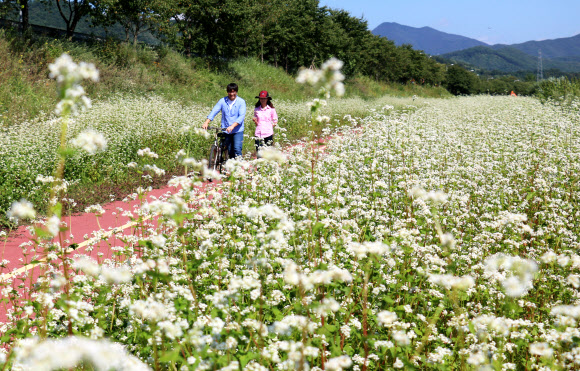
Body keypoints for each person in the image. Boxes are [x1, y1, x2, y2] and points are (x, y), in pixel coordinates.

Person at [202, 83, 246, 159]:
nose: (232, 94)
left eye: (233, 92)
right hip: (226, 130)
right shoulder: (222, 101)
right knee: (230, 151)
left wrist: (232, 126)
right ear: (227, 92)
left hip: (237, 130)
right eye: (230, 92)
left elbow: (241, 117)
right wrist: (206, 122)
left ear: (236, 92)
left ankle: (240, 169)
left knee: (237, 149)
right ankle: (232, 168)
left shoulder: (241, 102)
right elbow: (214, 111)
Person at [252, 90, 278, 158]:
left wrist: (270, 126)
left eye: (264, 98)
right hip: (259, 133)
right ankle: (259, 167)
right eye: (261, 98)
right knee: (259, 153)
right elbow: (257, 123)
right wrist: (255, 121)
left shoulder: (271, 109)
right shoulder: (256, 109)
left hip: (268, 133)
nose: (262, 100)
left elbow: (275, 120)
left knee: (268, 153)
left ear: (267, 99)